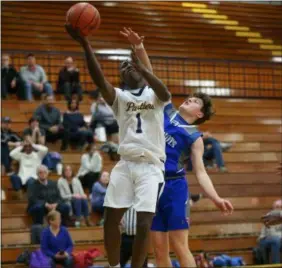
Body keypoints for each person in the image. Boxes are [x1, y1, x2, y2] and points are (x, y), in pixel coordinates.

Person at [121, 27, 234, 268]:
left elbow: (201, 172)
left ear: (200, 113)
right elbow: (150, 74)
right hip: (151, 184)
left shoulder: (195, 136)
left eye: (194, 101)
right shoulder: (167, 108)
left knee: (180, 246)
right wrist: (139, 47)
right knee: (159, 251)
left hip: (174, 187)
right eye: (190, 97)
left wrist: (215, 198)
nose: (189, 99)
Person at [66, 24, 171, 268]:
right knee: (111, 218)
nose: (127, 67)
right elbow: (98, 78)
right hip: (125, 164)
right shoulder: (118, 98)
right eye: (123, 67)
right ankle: (113, 266)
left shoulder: (153, 95)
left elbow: (164, 91)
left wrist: (141, 59)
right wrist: (85, 43)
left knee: (145, 223)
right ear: (122, 79)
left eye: (130, 64)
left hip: (151, 166)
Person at [258, 200, 282, 264]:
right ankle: (276, 265)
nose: (279, 208)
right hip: (265, 239)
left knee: (277, 240)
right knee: (276, 240)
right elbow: (272, 234)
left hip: (279, 239)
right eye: (277, 207)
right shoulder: (269, 216)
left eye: (281, 207)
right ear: (273, 208)